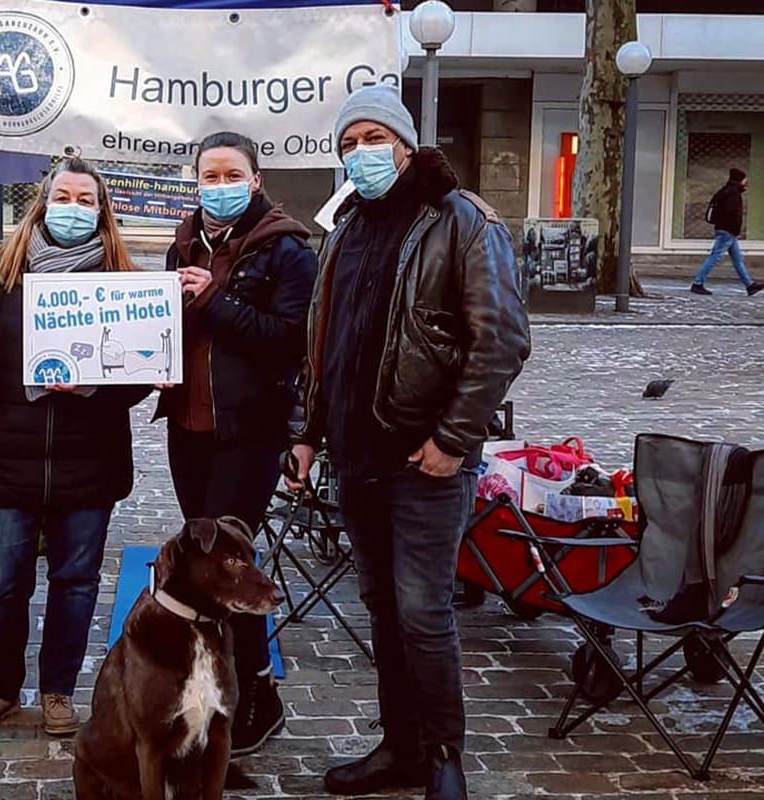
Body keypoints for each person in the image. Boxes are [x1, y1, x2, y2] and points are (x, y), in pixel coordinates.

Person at [288, 85, 531, 800]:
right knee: (384, 610)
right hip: (354, 457)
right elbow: (323, 346)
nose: (360, 153)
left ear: (404, 143)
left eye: (373, 138)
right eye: (347, 144)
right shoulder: (344, 230)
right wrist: (307, 434)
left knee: (424, 612)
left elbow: (501, 341)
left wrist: (453, 439)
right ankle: (399, 746)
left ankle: (443, 755)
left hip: (426, 461)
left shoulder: (462, 222)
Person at [0, 157, 150, 736]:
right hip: (4, 460)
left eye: (86, 200)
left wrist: (97, 385)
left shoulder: (123, 281)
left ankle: (58, 690)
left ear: (102, 212)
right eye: (64, 197)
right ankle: (1, 689)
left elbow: (138, 375)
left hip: (89, 461)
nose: (73, 209)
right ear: (42, 203)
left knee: (76, 583)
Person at [154, 131, 316, 756]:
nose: (219, 187)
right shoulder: (184, 242)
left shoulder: (287, 249)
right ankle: (215, 682)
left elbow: (289, 338)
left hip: (247, 433)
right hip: (188, 428)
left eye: (231, 175)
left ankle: (258, 690)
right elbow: (170, 326)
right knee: (201, 563)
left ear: (255, 180)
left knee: (229, 565)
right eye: (209, 176)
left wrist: (215, 300)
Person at [691, 168, 762, 296]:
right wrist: (735, 229)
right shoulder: (733, 193)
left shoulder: (725, 191)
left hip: (725, 230)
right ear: (739, 180)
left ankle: (750, 285)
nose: (746, 181)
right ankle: (697, 283)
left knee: (737, 259)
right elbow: (732, 213)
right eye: (744, 179)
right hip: (728, 231)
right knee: (715, 256)